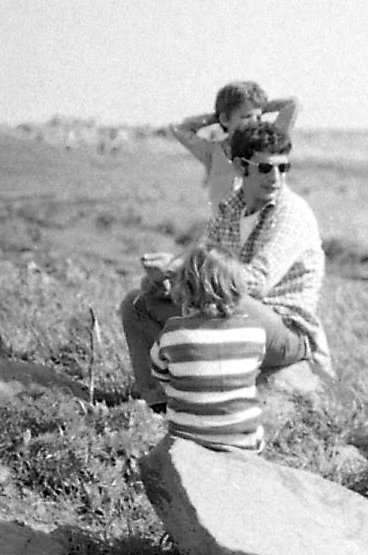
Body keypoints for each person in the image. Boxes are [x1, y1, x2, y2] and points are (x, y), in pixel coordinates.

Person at [119, 122, 332, 410]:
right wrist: (166, 280)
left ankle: (212, 399)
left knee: (222, 301)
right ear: (240, 166)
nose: (276, 178)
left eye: (283, 168)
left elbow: (257, 281)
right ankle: (159, 403)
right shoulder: (232, 206)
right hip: (237, 309)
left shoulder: (292, 212)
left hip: (285, 330)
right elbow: (202, 256)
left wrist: (178, 271)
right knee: (139, 302)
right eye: (265, 168)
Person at [150, 244, 267, 451]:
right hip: (243, 441)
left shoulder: (173, 332)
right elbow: (254, 369)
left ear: (184, 285)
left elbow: (159, 373)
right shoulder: (255, 331)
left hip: (186, 438)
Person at [168, 81, 300, 210]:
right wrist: (216, 117)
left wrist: (260, 106)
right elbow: (179, 128)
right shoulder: (213, 152)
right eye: (247, 116)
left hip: (260, 220)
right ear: (225, 119)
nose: (254, 122)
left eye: (258, 117)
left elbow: (292, 105)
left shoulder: (268, 145)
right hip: (224, 222)